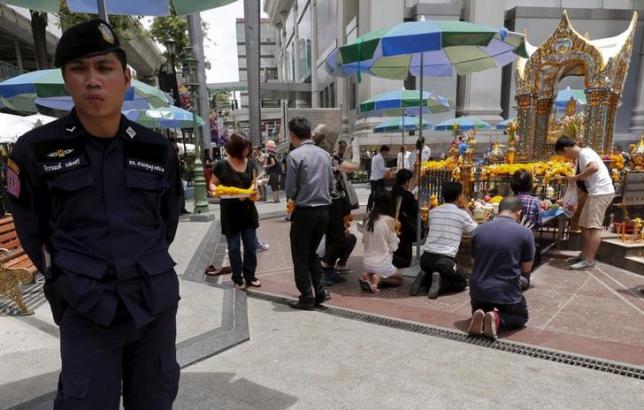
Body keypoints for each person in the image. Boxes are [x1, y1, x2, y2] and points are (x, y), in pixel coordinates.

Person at [7, 20, 181, 409]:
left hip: (152, 306)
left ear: (126, 77)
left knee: (155, 400)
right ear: (66, 80)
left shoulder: (157, 150)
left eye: (104, 68)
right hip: (87, 309)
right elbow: (31, 232)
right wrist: (71, 279)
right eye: (79, 69)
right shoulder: (35, 151)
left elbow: (166, 223)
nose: (92, 80)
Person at [468, 197, 535, 340]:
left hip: (478, 292)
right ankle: (498, 318)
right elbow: (527, 267)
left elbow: (473, 261)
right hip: (507, 293)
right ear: (519, 213)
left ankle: (480, 312)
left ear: (498, 210)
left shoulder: (479, 230)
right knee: (521, 317)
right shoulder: (525, 233)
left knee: (483, 308)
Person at [285, 117, 334, 310]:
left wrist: (299, 195)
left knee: (300, 255)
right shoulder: (324, 155)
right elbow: (331, 185)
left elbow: (290, 190)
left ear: (293, 135)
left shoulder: (295, 156)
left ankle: (306, 296)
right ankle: (321, 290)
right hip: (324, 212)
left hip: (305, 212)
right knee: (312, 253)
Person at [210, 132, 262, 289]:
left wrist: (253, 190)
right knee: (233, 248)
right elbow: (212, 184)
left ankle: (250, 275)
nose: (247, 151)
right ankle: (237, 277)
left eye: (248, 148)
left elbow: (254, 184)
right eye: (244, 148)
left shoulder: (251, 163)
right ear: (236, 148)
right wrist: (218, 191)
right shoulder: (221, 165)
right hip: (230, 213)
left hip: (248, 211)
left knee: (251, 247)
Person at [555, 136, 615, 270]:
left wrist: (575, 177)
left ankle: (589, 260)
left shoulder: (585, 153)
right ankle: (584, 255)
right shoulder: (581, 156)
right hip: (595, 193)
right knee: (584, 224)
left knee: (593, 227)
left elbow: (594, 167)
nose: (566, 158)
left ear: (565, 149)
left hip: (601, 192)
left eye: (563, 154)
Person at [413, 182, 477, 299]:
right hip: (445, 261)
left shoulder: (433, 212)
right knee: (461, 282)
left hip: (425, 259)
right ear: (459, 196)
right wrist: (466, 208)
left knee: (435, 273)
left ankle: (424, 278)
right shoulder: (462, 214)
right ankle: (439, 283)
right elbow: (476, 231)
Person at [361, 191, 403, 293]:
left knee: (375, 270)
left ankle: (369, 276)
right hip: (382, 264)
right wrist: (396, 232)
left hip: (367, 263)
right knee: (399, 279)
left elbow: (363, 241)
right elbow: (394, 247)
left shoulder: (368, 218)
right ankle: (379, 279)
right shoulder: (390, 220)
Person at [391, 169, 418, 269]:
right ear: (407, 181)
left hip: (391, 226)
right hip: (405, 228)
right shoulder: (407, 195)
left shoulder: (392, 192)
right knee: (405, 260)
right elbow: (416, 211)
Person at [368, 145, 390, 211]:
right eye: (386, 152)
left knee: (373, 193)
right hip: (378, 179)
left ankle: (370, 206)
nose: (386, 154)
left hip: (373, 178)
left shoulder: (375, 157)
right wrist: (389, 169)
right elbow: (381, 169)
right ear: (383, 151)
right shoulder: (380, 158)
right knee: (380, 194)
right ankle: (378, 207)